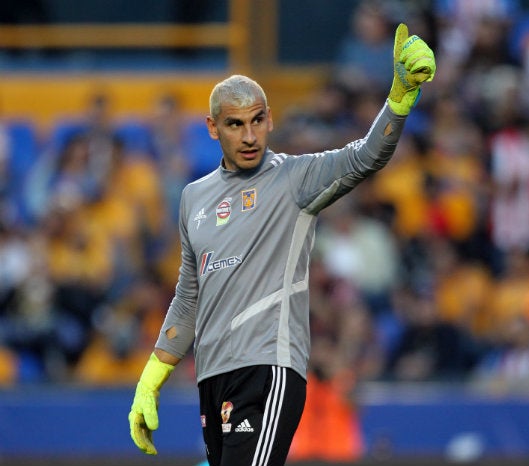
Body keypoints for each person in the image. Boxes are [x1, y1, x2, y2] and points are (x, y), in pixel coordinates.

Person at [127, 23, 436, 466]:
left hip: (268, 369)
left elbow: (367, 156)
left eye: (257, 121)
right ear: (213, 128)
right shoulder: (194, 198)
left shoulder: (293, 178)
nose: (250, 136)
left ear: (270, 119)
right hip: (213, 378)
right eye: (235, 125)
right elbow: (188, 297)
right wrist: (151, 379)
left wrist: (400, 99)